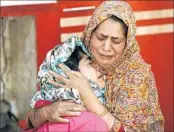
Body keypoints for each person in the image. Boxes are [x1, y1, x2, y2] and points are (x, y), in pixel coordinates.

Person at [26, 1, 164, 132]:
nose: (106, 47)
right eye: (100, 37)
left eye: (116, 41)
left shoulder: (137, 77)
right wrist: (45, 113)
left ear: (127, 43)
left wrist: (88, 96)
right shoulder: (76, 54)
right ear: (90, 34)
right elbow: (38, 112)